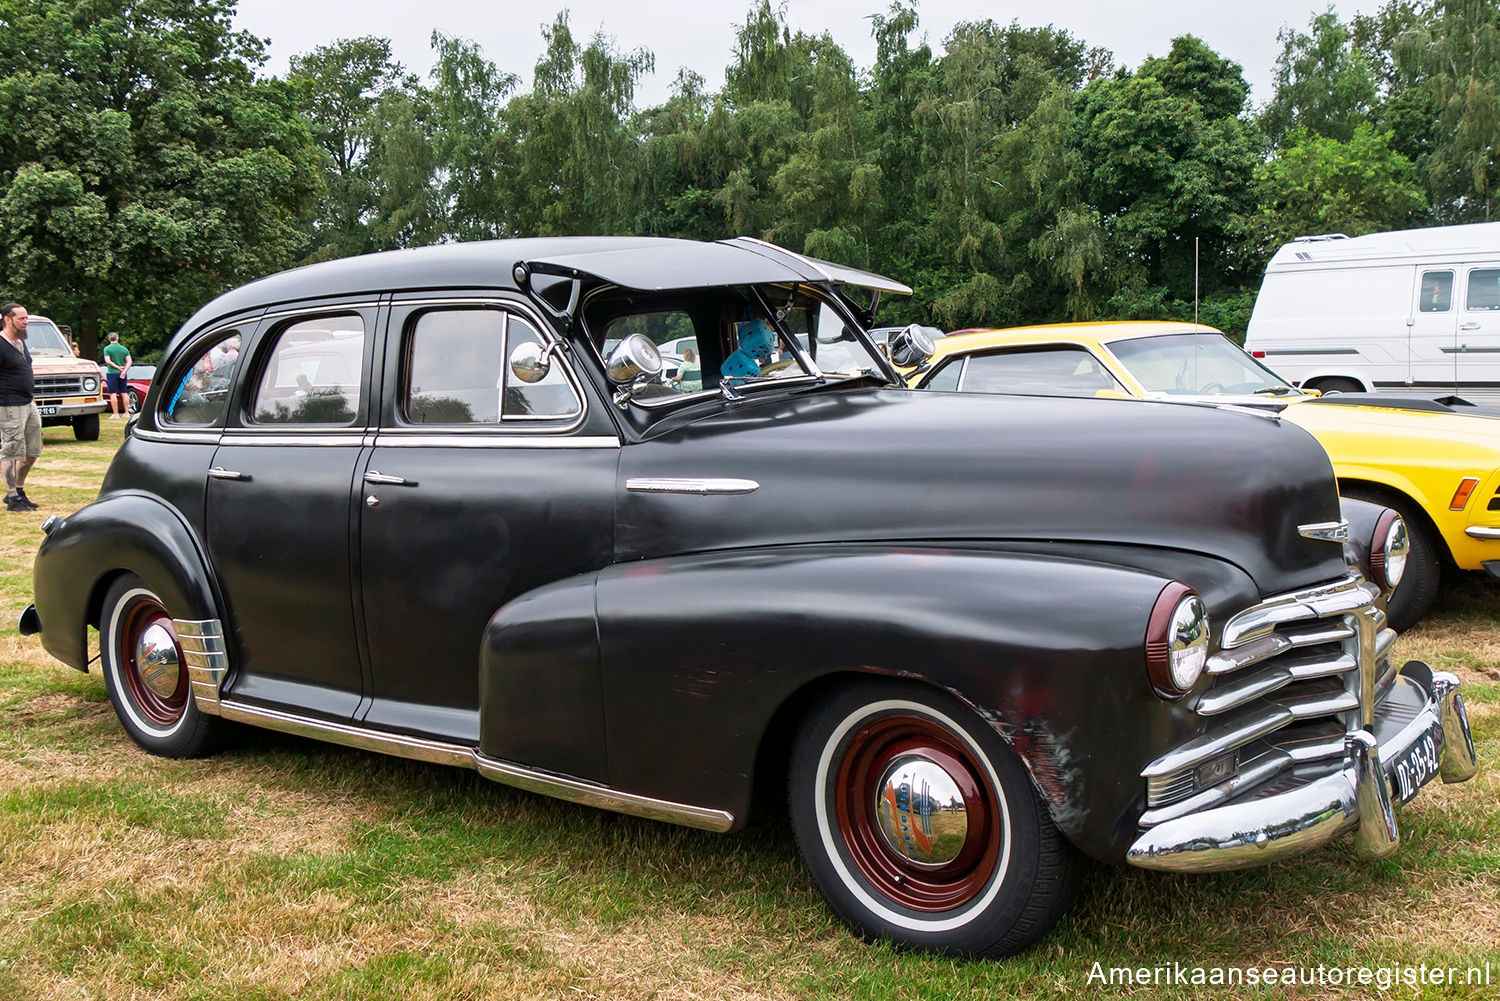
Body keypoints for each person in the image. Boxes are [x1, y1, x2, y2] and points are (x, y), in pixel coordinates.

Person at [0, 302, 41, 511]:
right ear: (7, 319)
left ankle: (18, 489)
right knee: (12, 450)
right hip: (9, 404)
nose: (26, 323)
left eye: (26, 319)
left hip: (27, 401)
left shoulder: (20, 342)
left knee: (33, 450)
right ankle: (12, 498)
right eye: (22, 319)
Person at [102, 331, 132, 416]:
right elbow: (129, 361)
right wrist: (124, 370)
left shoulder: (107, 349)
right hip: (122, 373)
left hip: (112, 373)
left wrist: (117, 367)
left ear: (109, 339)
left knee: (113, 393)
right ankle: (126, 412)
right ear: (117, 338)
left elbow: (108, 361)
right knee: (124, 392)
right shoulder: (124, 349)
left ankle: (115, 413)